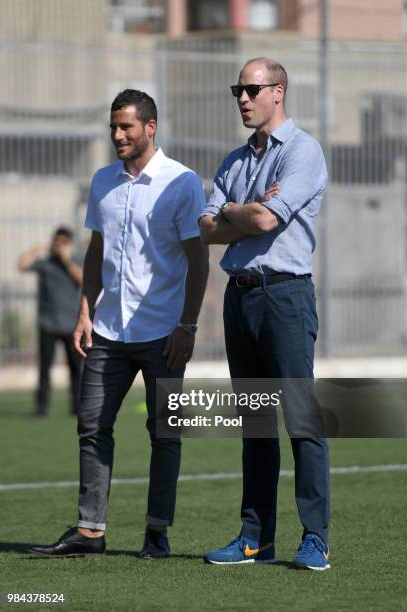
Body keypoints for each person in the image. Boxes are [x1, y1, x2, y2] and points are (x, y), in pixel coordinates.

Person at [29, 89, 209, 559]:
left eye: (126, 126)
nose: (117, 135)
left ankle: (157, 531)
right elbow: (96, 249)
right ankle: (91, 531)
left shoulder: (183, 182)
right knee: (91, 425)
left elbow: (198, 259)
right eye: (113, 126)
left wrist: (187, 325)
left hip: (164, 332)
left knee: (164, 432)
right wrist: (86, 310)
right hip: (108, 328)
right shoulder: (102, 181)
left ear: (150, 127)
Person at [200, 58, 330, 570]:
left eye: (252, 89)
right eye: (238, 89)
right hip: (241, 296)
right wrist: (246, 209)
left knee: (301, 419)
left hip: (285, 296)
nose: (242, 98)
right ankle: (255, 539)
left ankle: (315, 537)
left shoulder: (304, 151)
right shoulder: (234, 160)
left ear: (278, 91)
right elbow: (210, 230)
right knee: (255, 424)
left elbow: (259, 218)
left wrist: (241, 210)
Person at [18, 227, 83, 417]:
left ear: (69, 244)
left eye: (63, 242)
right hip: (48, 323)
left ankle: (77, 406)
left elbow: (82, 279)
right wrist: (37, 250)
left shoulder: (76, 262)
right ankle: (41, 406)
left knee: (75, 369)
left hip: (71, 324)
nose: (58, 246)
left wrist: (67, 260)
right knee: (44, 368)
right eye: (56, 242)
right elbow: (22, 265)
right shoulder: (46, 264)